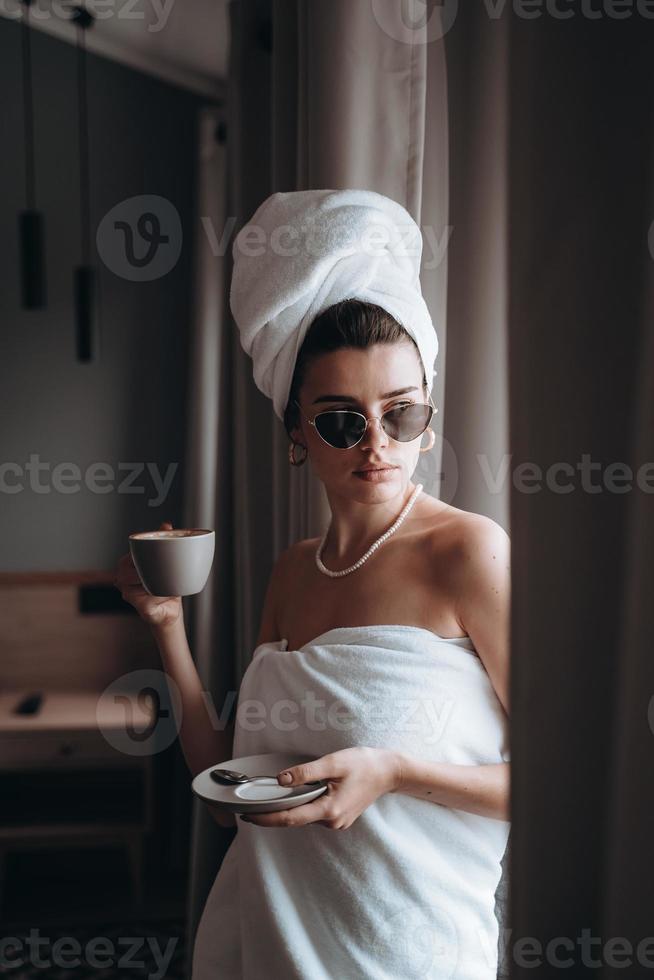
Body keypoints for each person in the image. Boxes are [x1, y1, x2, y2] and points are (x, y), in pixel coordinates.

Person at [115, 191, 511, 979]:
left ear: (427, 421)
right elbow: (227, 769)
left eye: (401, 415)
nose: (376, 444)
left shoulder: (467, 554)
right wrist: (166, 625)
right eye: (340, 419)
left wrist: (396, 772)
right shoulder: (294, 570)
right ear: (296, 430)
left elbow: (557, 781)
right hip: (266, 944)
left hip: (405, 954)